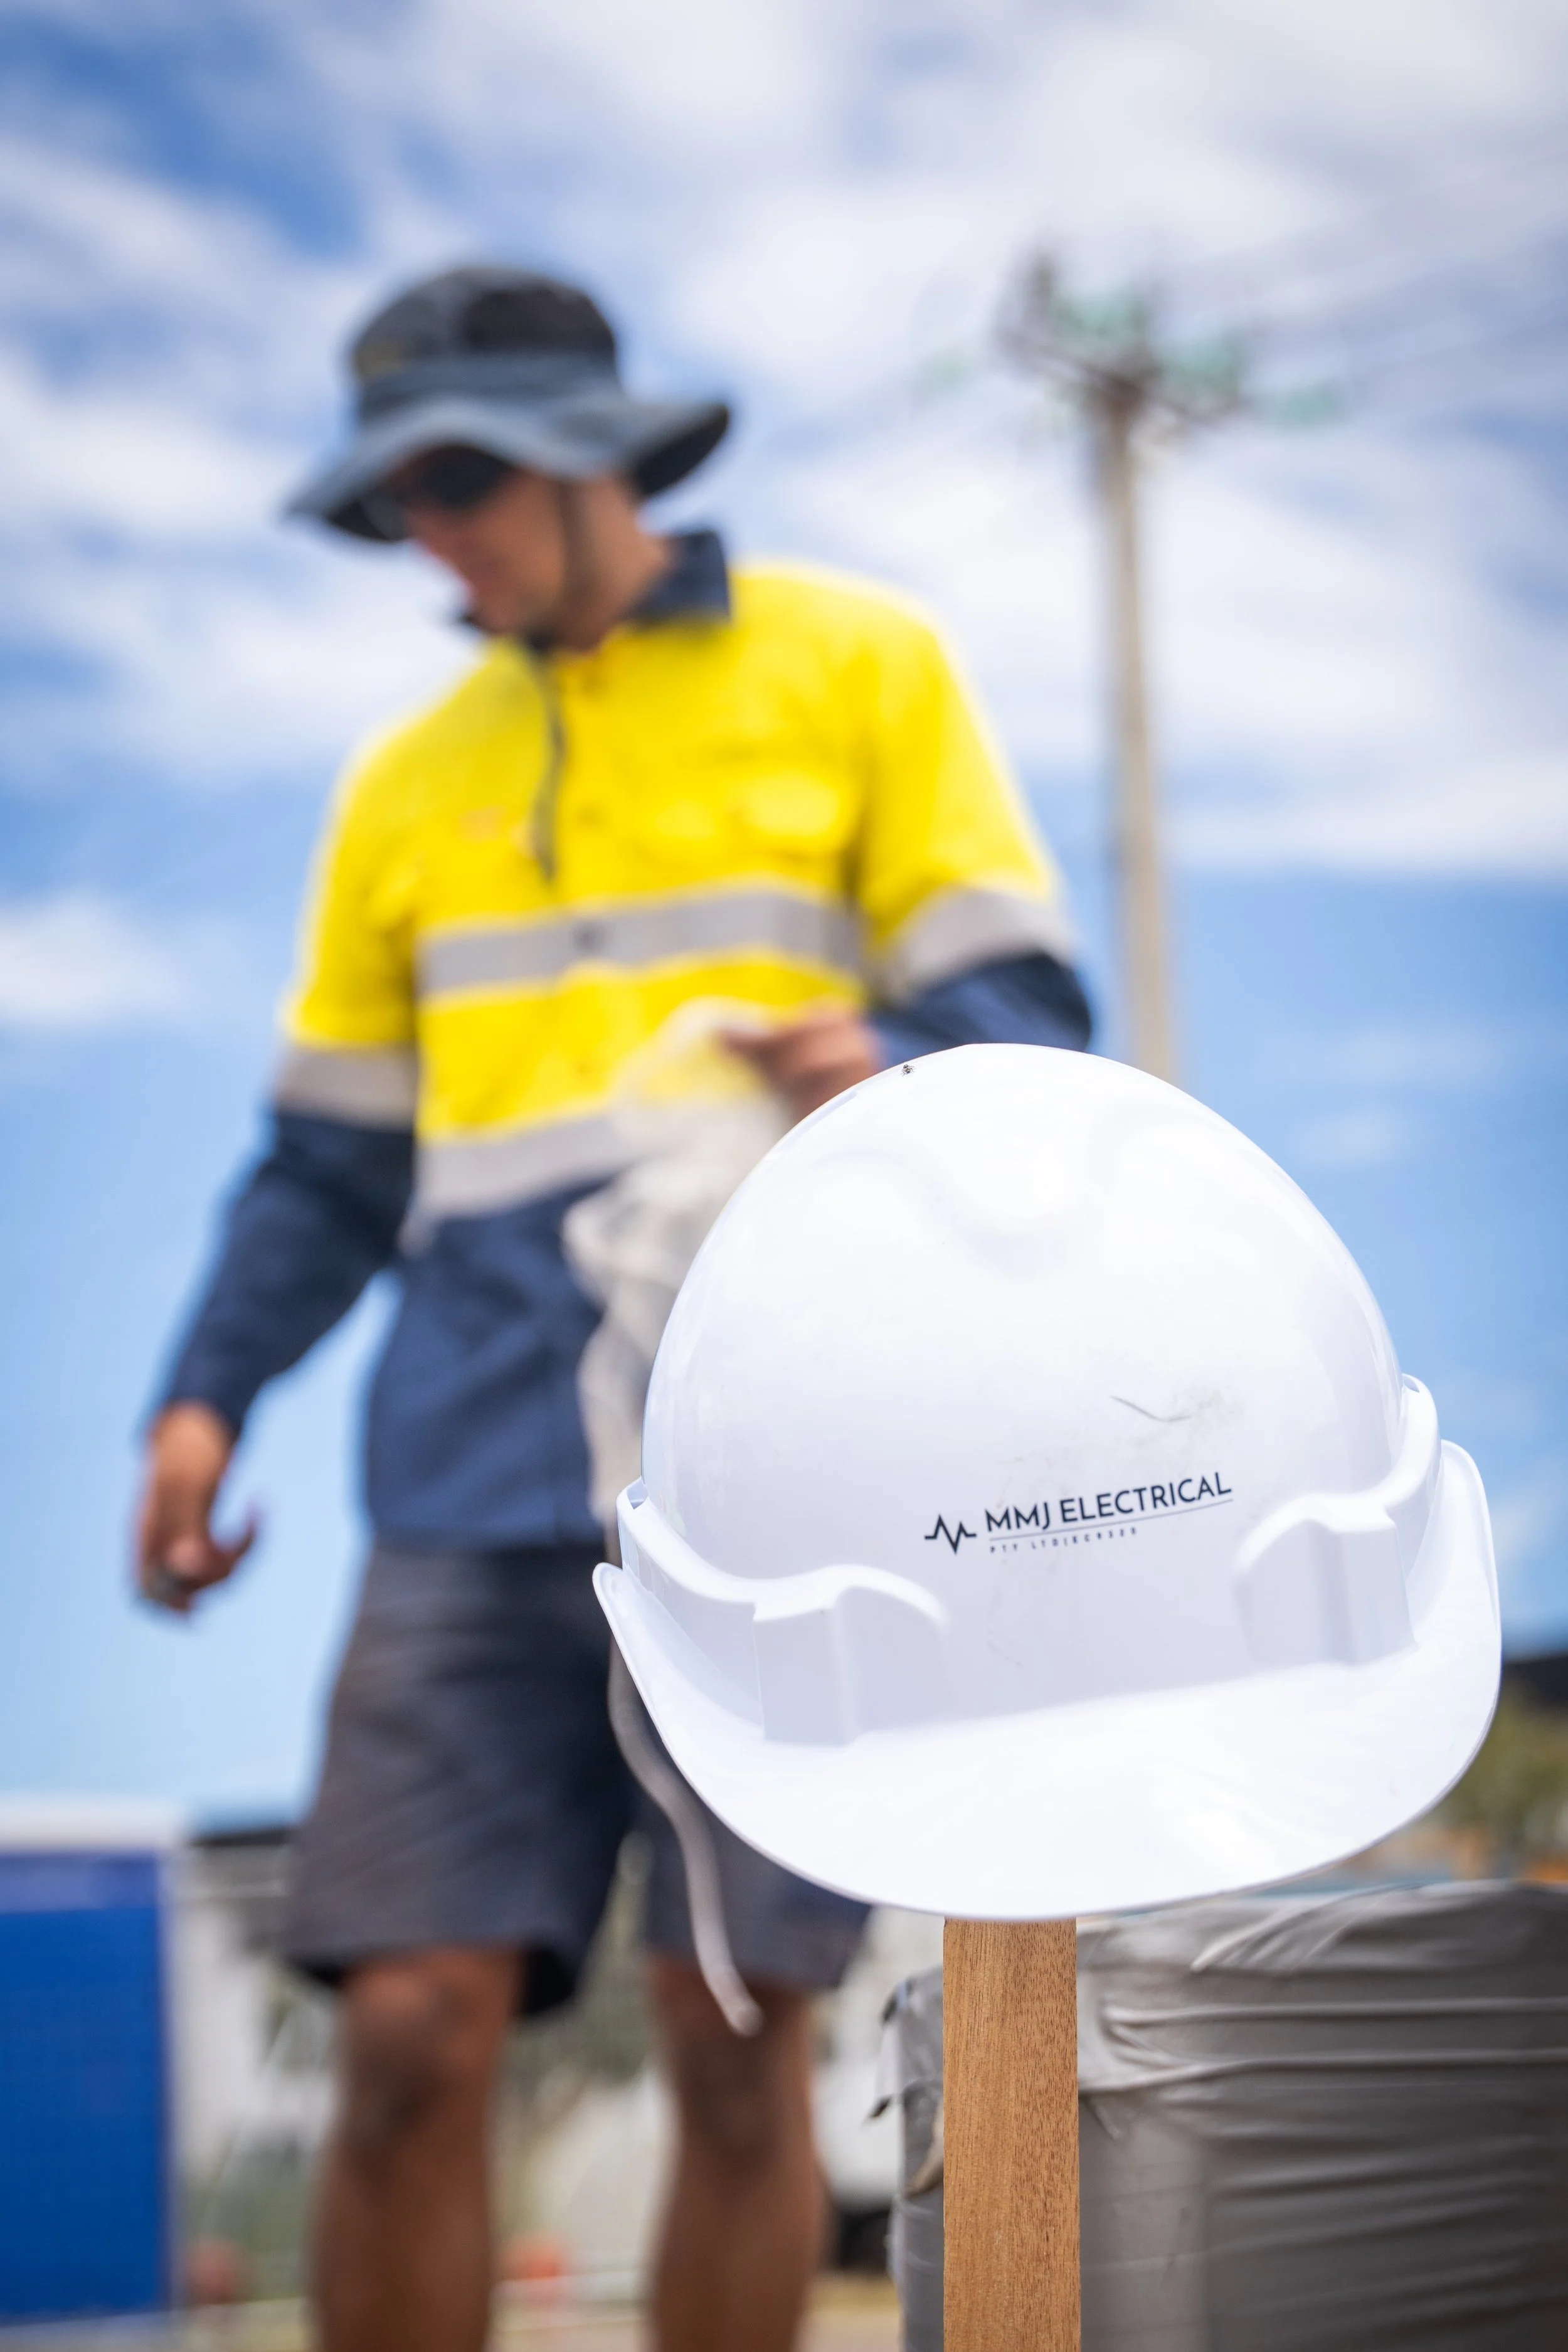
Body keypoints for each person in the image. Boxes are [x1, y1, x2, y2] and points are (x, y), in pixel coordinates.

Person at [135, 265, 1092, 2352]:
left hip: (782, 1450)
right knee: (403, 2018)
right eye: (395, 501)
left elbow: (1023, 1006)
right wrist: (201, 1399)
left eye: (464, 474)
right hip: (464, 1461)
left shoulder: (859, 664)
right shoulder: (403, 783)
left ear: (593, 446)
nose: (436, 533)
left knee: (733, 2027)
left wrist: (883, 1044)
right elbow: (325, 1159)